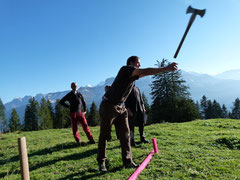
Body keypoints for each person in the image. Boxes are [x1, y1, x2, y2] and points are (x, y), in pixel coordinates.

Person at [97, 56, 178, 172]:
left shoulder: (133, 76)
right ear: (131, 63)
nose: (139, 65)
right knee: (104, 135)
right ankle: (101, 163)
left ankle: (127, 161)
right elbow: (145, 71)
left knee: (126, 135)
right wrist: (166, 68)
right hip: (108, 106)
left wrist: (165, 70)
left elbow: (147, 73)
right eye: (138, 63)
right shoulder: (125, 69)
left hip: (121, 107)